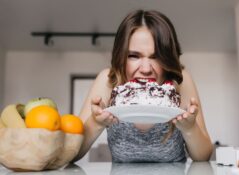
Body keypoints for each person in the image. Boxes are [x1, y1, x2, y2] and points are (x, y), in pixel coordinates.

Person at [73, 9, 213, 163]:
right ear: (121, 56)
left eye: (156, 57)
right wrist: (96, 123)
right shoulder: (108, 81)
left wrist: (190, 128)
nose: (146, 69)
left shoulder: (180, 82)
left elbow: (204, 156)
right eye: (134, 56)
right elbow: (74, 153)